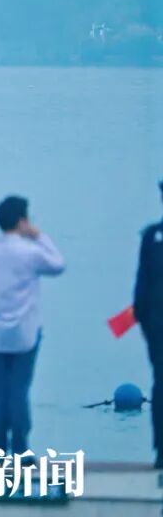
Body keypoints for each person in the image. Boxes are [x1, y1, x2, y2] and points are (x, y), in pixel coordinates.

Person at [0, 196, 65, 460]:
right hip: (24, 333)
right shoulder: (30, 252)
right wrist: (39, 236)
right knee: (19, 390)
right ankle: (21, 448)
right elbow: (58, 264)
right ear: (22, 221)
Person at [133, 180, 163, 468]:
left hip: (157, 325)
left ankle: (161, 451)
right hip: (156, 325)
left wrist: (145, 323)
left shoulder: (152, 236)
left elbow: (141, 287)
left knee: (160, 383)